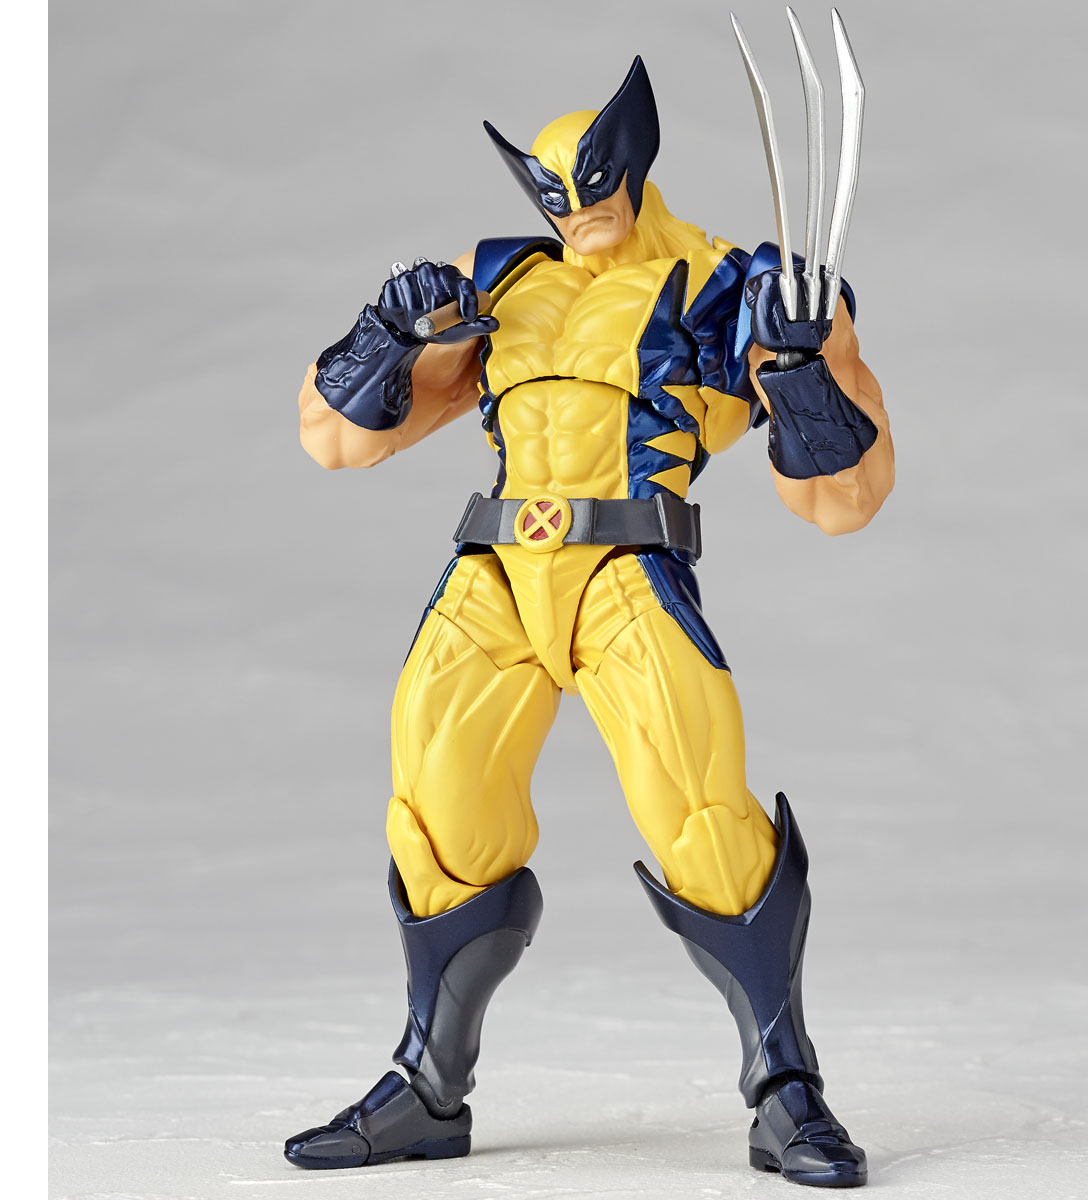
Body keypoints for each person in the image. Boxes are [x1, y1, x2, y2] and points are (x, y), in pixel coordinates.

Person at [286, 56, 893, 1189]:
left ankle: (786, 1089)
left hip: (627, 568)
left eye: (594, 180)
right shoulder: (504, 279)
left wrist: (802, 368)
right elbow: (336, 440)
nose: (577, 207)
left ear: (637, 154)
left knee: (699, 812)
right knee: (435, 803)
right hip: (496, 573)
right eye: (553, 190)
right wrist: (385, 333)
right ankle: (428, 1084)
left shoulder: (730, 284)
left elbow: (844, 501)